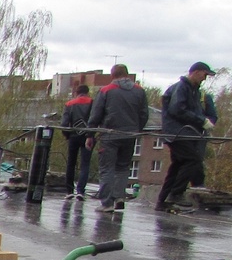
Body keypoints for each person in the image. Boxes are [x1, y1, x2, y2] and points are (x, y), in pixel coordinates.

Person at [87, 64, 149, 214]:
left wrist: (90, 134)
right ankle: (119, 197)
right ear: (127, 74)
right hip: (130, 135)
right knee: (122, 167)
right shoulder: (139, 91)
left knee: (107, 168)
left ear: (112, 75)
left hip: (110, 135)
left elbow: (96, 114)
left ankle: (107, 202)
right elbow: (144, 114)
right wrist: (137, 129)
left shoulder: (106, 90)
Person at [158, 62, 218, 211]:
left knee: (177, 166)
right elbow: (177, 109)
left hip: (184, 133)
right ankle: (176, 194)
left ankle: (162, 201)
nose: (205, 79)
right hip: (178, 133)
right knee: (193, 160)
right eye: (205, 74)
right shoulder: (182, 87)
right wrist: (201, 121)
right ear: (196, 72)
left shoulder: (193, 90)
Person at [60, 84, 94, 200]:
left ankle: (69, 190)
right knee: (85, 164)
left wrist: (67, 135)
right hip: (88, 136)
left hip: (73, 136)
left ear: (76, 92)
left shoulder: (69, 104)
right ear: (87, 92)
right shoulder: (92, 103)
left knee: (71, 163)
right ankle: (80, 191)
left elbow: (64, 124)